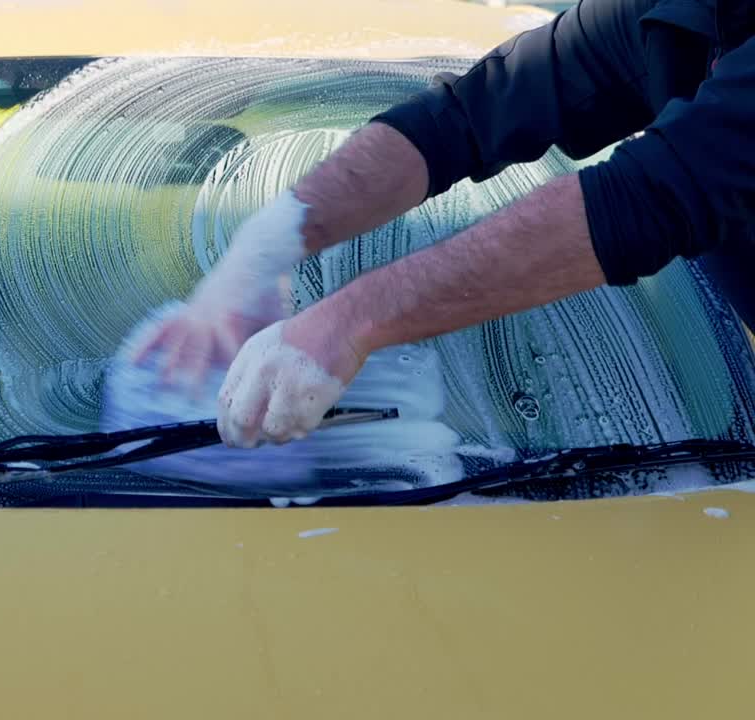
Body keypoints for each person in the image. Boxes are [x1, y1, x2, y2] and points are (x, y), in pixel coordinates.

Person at [137, 0, 755, 450]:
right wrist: (260, 248)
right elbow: (466, 118)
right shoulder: (683, 12)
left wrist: (348, 322)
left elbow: (646, 200)